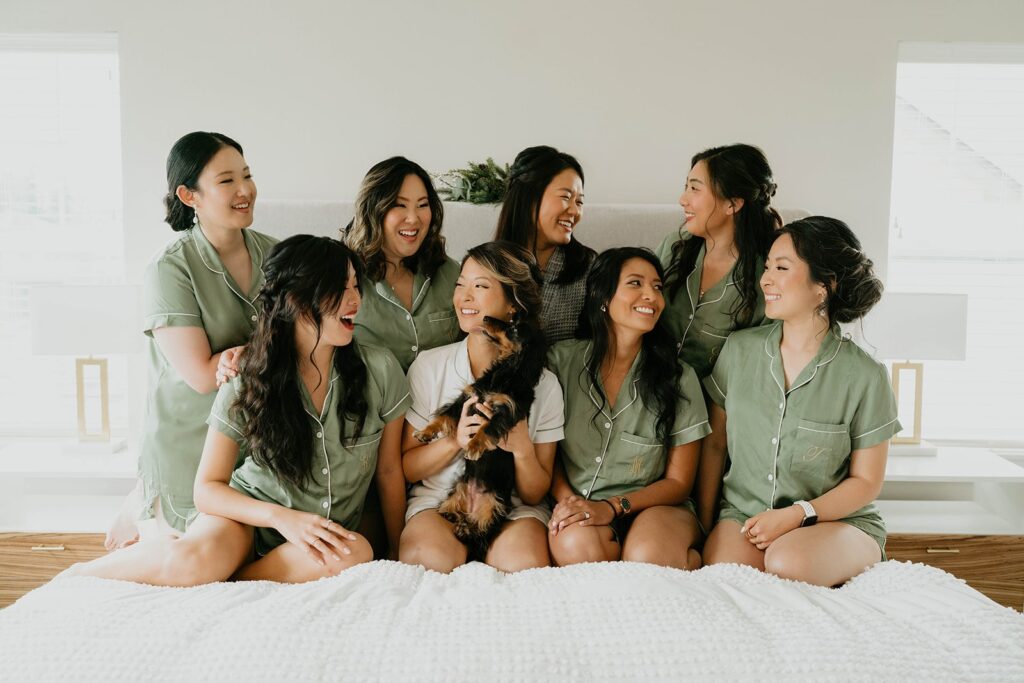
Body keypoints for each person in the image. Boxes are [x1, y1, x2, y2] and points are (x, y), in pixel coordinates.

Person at [70, 236, 409, 585]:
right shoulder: (248, 376)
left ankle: (227, 579)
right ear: (297, 299)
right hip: (246, 521)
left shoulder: (379, 370)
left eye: (356, 286)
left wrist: (400, 556)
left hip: (314, 538)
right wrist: (280, 518)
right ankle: (80, 575)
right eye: (340, 288)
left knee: (354, 553)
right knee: (191, 563)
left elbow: (388, 471)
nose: (355, 301)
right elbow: (207, 488)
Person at [700, 217, 900, 587]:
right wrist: (706, 523)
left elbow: (866, 482)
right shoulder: (738, 351)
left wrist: (798, 514)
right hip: (745, 513)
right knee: (727, 578)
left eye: (781, 267)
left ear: (824, 285)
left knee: (788, 562)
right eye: (766, 267)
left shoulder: (865, 376)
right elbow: (714, 446)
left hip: (835, 521)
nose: (765, 279)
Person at [106, 132, 277, 549]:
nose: (245, 190)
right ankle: (145, 511)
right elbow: (203, 376)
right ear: (188, 195)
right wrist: (258, 352)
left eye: (248, 175)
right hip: (190, 447)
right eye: (226, 181)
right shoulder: (169, 269)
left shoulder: (276, 255)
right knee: (193, 564)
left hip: (257, 448)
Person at [398, 242, 564, 572]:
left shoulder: (544, 385)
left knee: (524, 565)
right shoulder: (430, 367)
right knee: (429, 561)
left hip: (512, 508)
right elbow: (409, 468)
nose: (465, 297)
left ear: (513, 308)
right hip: (440, 503)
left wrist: (522, 450)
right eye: (461, 285)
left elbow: (533, 495)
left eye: (481, 286)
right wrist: (454, 441)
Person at [546, 248, 710, 569]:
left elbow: (679, 483)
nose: (651, 295)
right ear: (602, 297)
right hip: (579, 501)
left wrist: (612, 506)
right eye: (635, 283)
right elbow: (543, 451)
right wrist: (569, 503)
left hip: (655, 508)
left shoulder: (679, 378)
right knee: (577, 548)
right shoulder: (560, 363)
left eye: (658, 287)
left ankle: (678, 554)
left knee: (648, 558)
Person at [655, 143, 781, 379]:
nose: (683, 199)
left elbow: (757, 364)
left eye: (695, 188)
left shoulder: (766, 277)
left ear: (732, 203)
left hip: (712, 407)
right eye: (686, 187)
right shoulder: (674, 247)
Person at [342, 156, 462, 372]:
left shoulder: (452, 274)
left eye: (422, 205)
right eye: (400, 205)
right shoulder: (344, 278)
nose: (413, 218)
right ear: (374, 210)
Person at [493, 145, 596, 343]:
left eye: (580, 202)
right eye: (566, 197)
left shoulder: (589, 269)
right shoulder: (488, 266)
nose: (575, 211)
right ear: (529, 197)